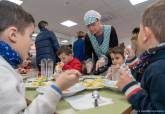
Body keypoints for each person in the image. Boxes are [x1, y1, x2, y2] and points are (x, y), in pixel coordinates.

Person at [0, 1, 80, 114]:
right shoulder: (3, 73)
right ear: (13, 35)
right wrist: (57, 88)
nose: (31, 43)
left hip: (40, 60)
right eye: (29, 36)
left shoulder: (5, 67)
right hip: (49, 59)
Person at [117, 0, 165, 113]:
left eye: (140, 30)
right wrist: (132, 60)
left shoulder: (158, 69)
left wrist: (131, 89)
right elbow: (145, 76)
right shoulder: (156, 61)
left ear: (146, 33)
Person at [84, 10, 118, 74]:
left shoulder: (110, 29)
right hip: (98, 67)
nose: (91, 28)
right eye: (88, 26)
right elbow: (87, 54)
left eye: (93, 24)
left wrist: (105, 58)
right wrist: (89, 62)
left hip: (112, 65)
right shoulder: (87, 36)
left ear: (99, 21)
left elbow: (115, 49)